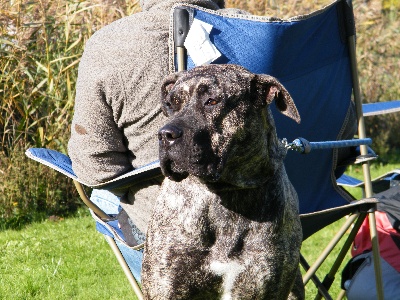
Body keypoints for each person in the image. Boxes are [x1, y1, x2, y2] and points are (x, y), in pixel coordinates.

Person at [68, 0, 234, 242]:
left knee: (100, 197)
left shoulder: (108, 45)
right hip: (275, 216)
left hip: (172, 232)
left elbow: (96, 170)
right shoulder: (260, 33)